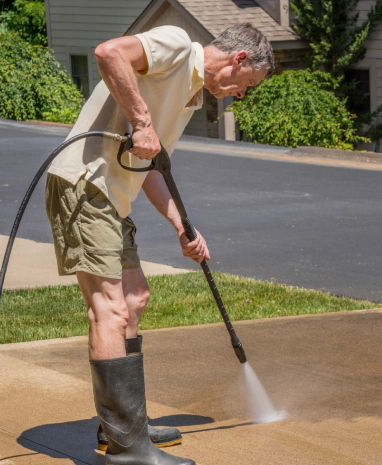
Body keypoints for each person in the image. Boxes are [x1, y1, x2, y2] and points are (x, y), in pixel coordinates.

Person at [44, 23, 273, 465]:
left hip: (113, 195)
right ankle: (128, 449)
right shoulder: (176, 45)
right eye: (247, 86)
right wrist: (142, 121)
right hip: (85, 184)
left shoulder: (190, 94)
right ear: (239, 60)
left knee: (134, 298)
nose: (241, 95)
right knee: (109, 309)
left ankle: (125, 424)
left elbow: (149, 164)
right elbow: (109, 51)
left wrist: (181, 226)